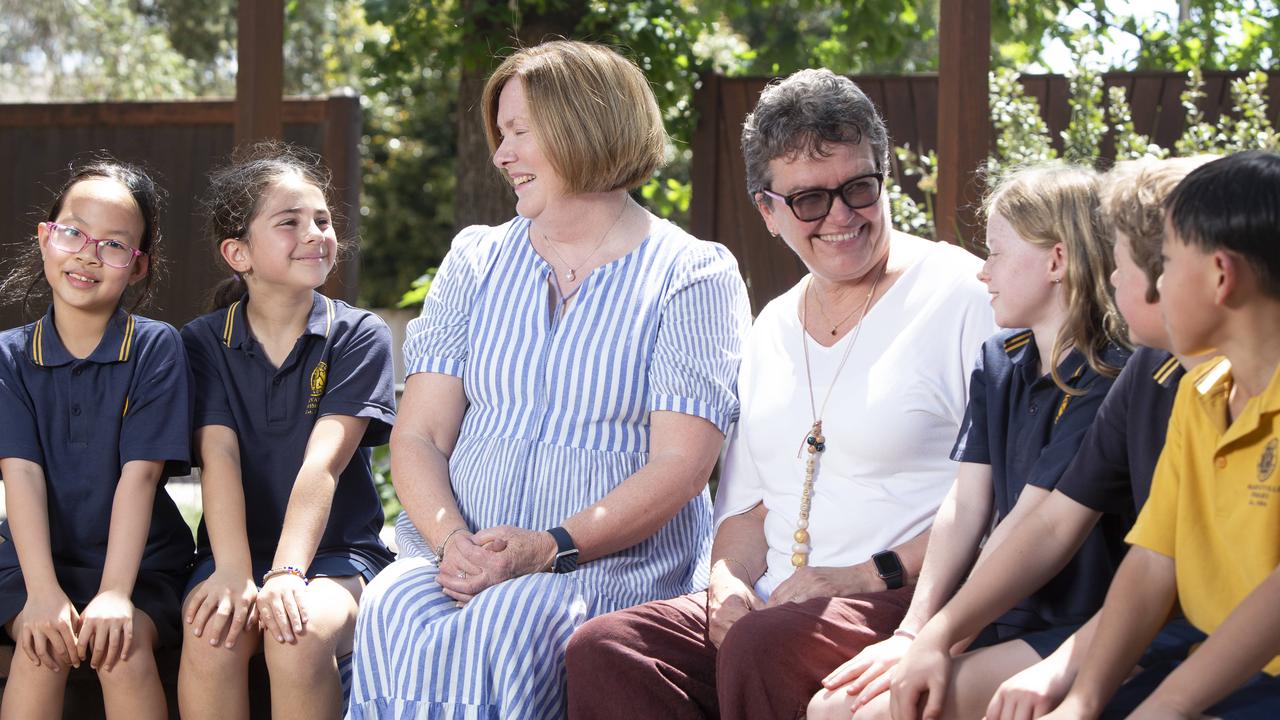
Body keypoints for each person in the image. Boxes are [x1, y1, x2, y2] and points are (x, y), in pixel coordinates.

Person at [565, 68, 995, 720]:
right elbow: (743, 513)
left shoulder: (961, 296)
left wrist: (863, 576)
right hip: (783, 600)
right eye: (809, 201)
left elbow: (1002, 492)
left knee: (765, 646)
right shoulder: (770, 327)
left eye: (859, 188)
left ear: (884, 179)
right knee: (611, 646)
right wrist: (728, 590)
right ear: (768, 212)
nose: (842, 216)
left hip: (903, 591)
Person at [345, 40, 750, 719]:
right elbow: (418, 435)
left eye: (519, 133)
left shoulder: (690, 273)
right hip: (461, 553)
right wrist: (453, 545)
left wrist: (550, 547)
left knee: (508, 622)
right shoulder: (474, 260)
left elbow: (681, 465)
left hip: (606, 565)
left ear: (582, 127)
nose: (501, 155)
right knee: (392, 603)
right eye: (499, 135)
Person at [827, 156, 1214, 720]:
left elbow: (1039, 521)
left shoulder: (1115, 371)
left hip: (1079, 614)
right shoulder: (1002, 358)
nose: (983, 271)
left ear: (1057, 259)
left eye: (997, 252)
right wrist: (919, 632)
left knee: (868, 714)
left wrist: (943, 635)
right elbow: (967, 505)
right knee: (830, 706)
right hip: (1013, 609)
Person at [1040, 151, 1280, 719]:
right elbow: (1152, 561)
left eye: (1168, 262)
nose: (1156, 282)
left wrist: (1169, 705)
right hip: (1222, 668)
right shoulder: (1200, 398)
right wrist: (1082, 699)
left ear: (1222, 277)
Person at [177, 142, 396, 720]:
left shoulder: (358, 334)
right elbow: (216, 458)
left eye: (322, 220)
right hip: (233, 553)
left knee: (295, 634)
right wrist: (231, 571)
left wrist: (287, 574)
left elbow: (322, 464)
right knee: (211, 634)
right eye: (290, 222)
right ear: (238, 252)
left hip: (337, 559)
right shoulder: (201, 342)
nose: (316, 233)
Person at [0, 159, 194, 719]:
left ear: (138, 268)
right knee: (41, 651)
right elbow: (22, 475)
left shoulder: (156, 348)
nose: (88, 253)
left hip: (143, 567)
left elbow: (142, 476)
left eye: (114, 244)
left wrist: (114, 594)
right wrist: (41, 593)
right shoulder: (10, 357)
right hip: (33, 565)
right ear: (45, 238)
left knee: (123, 648)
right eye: (73, 232)